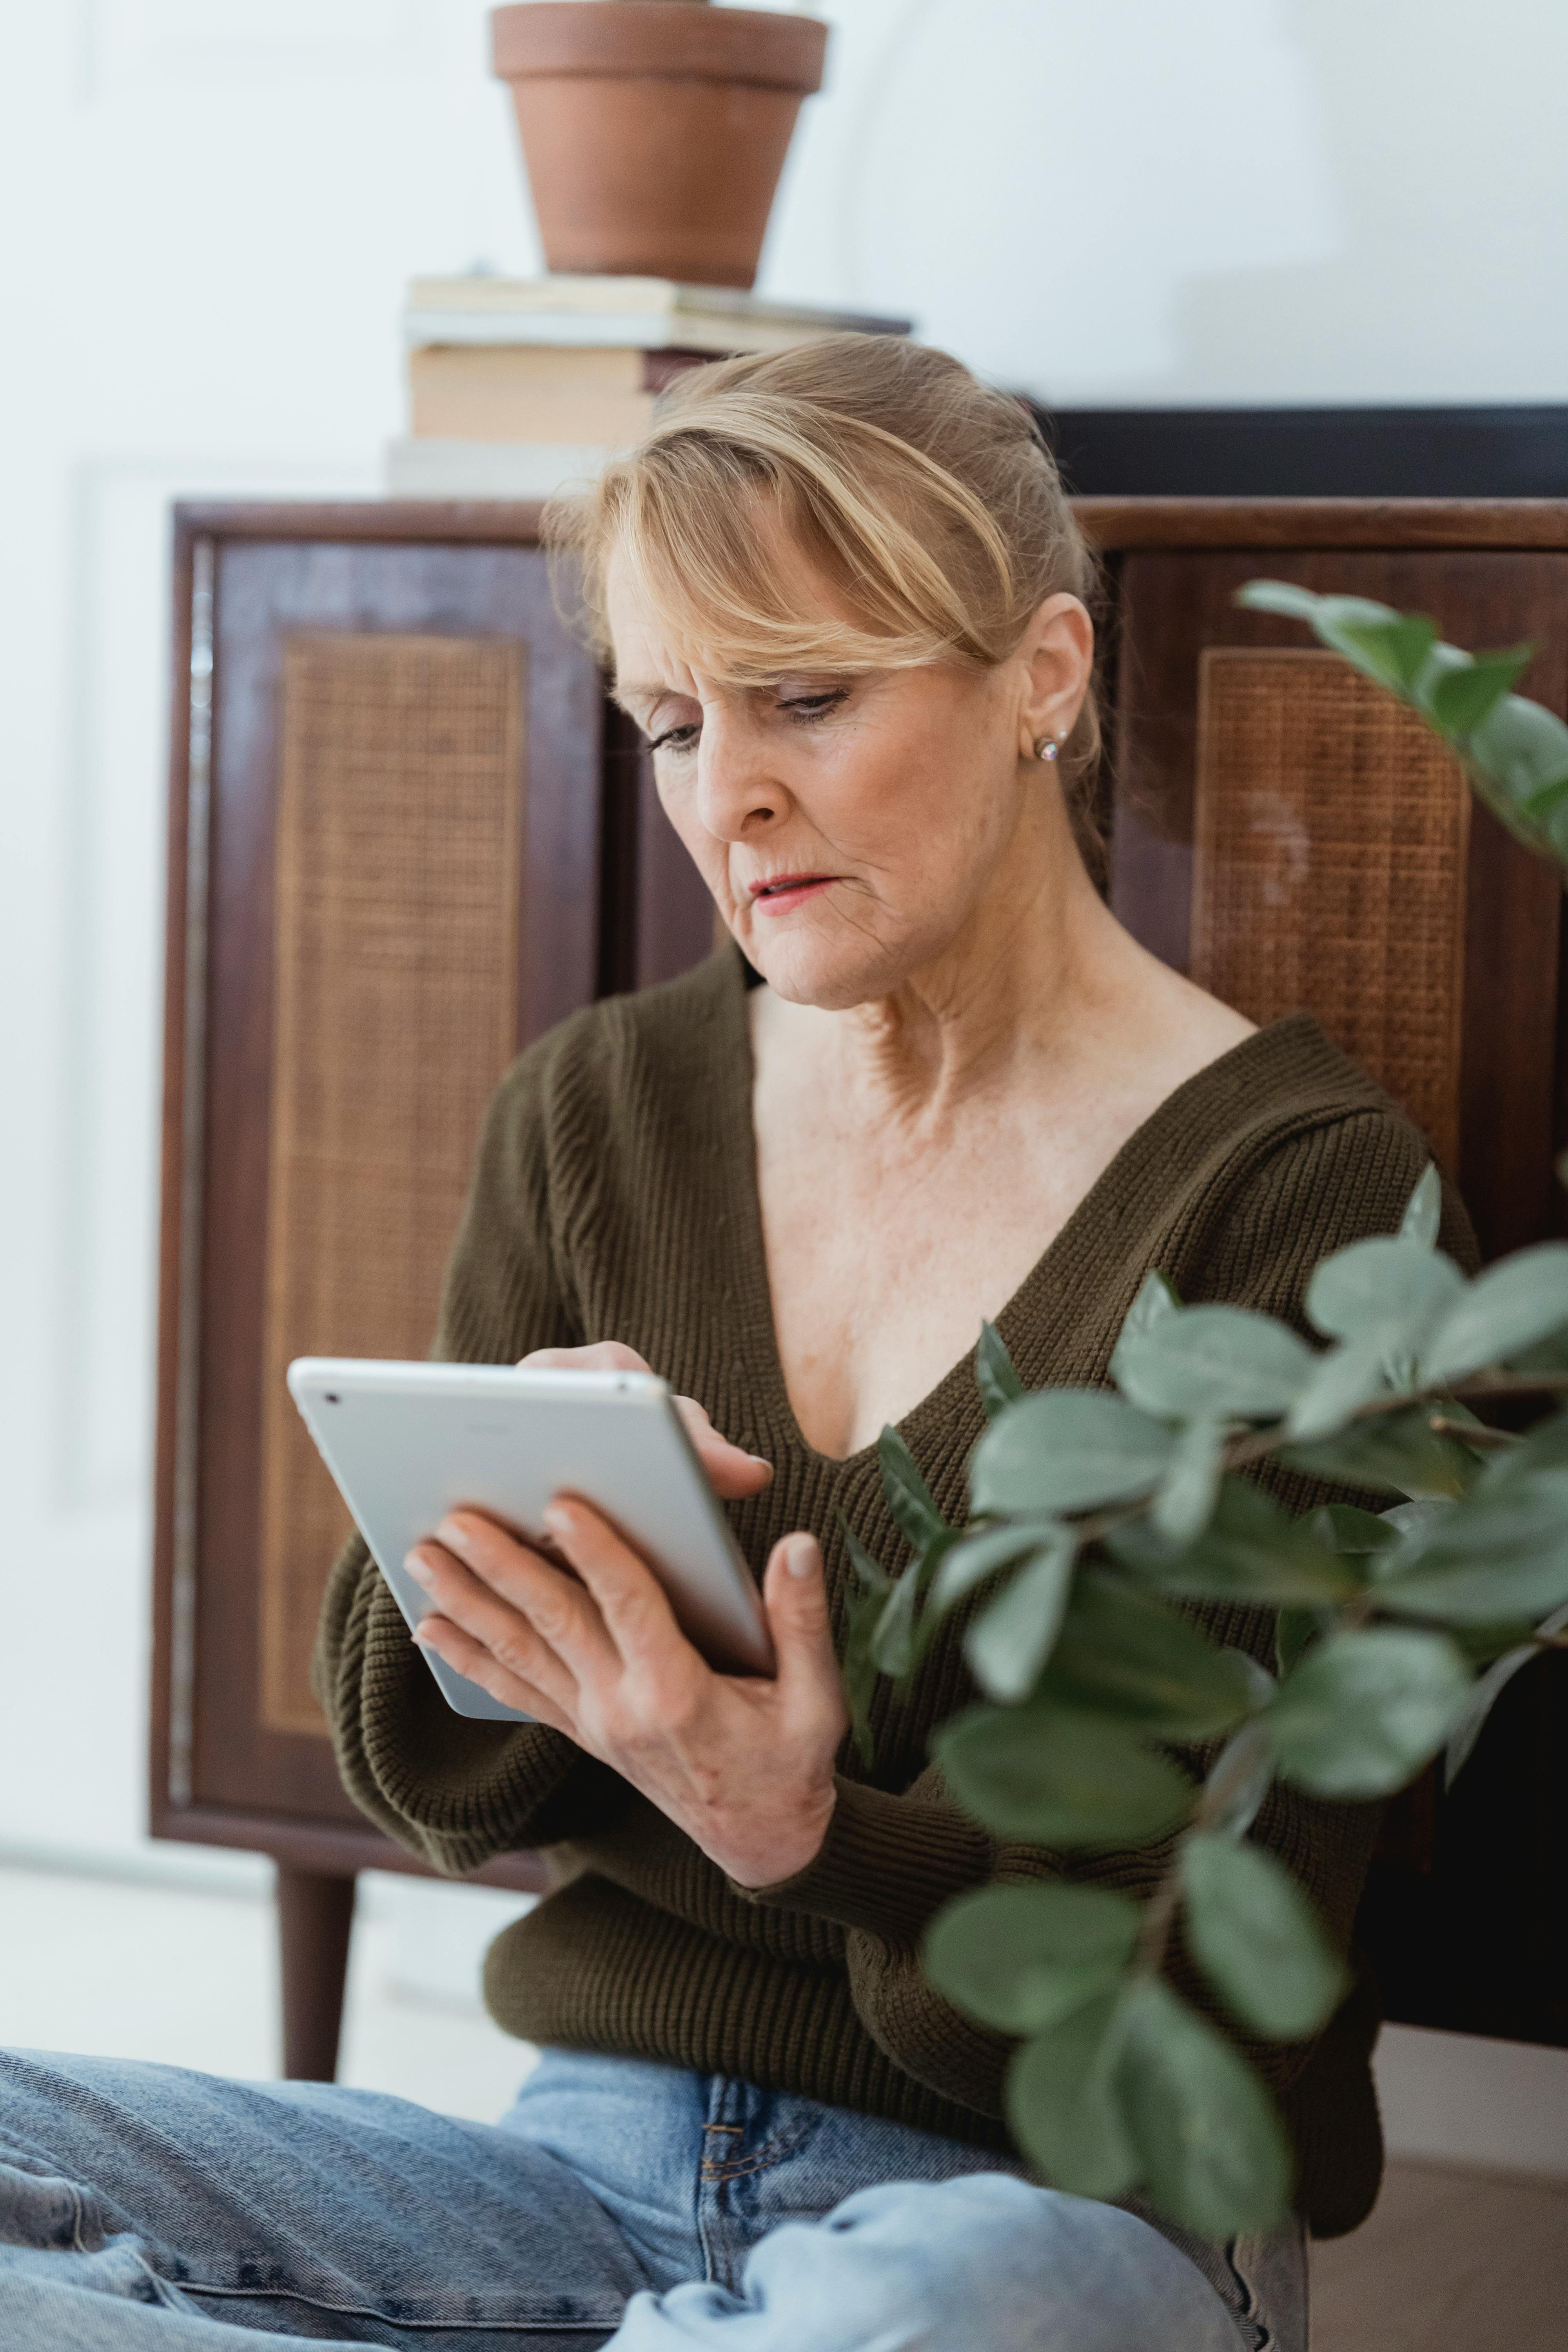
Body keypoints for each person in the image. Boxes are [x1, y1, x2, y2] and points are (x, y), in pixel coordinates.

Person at [0, 336, 1470, 2352]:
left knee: (966, 2312)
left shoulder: (1300, 1199)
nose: (731, 794)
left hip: (1048, 2208)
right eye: (672, 721)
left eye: (804, 697)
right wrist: (494, 1540)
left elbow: (1214, 1971)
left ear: (1041, 674)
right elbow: (429, 1780)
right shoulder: (594, 1109)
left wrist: (809, 1834)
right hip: (576, 2169)